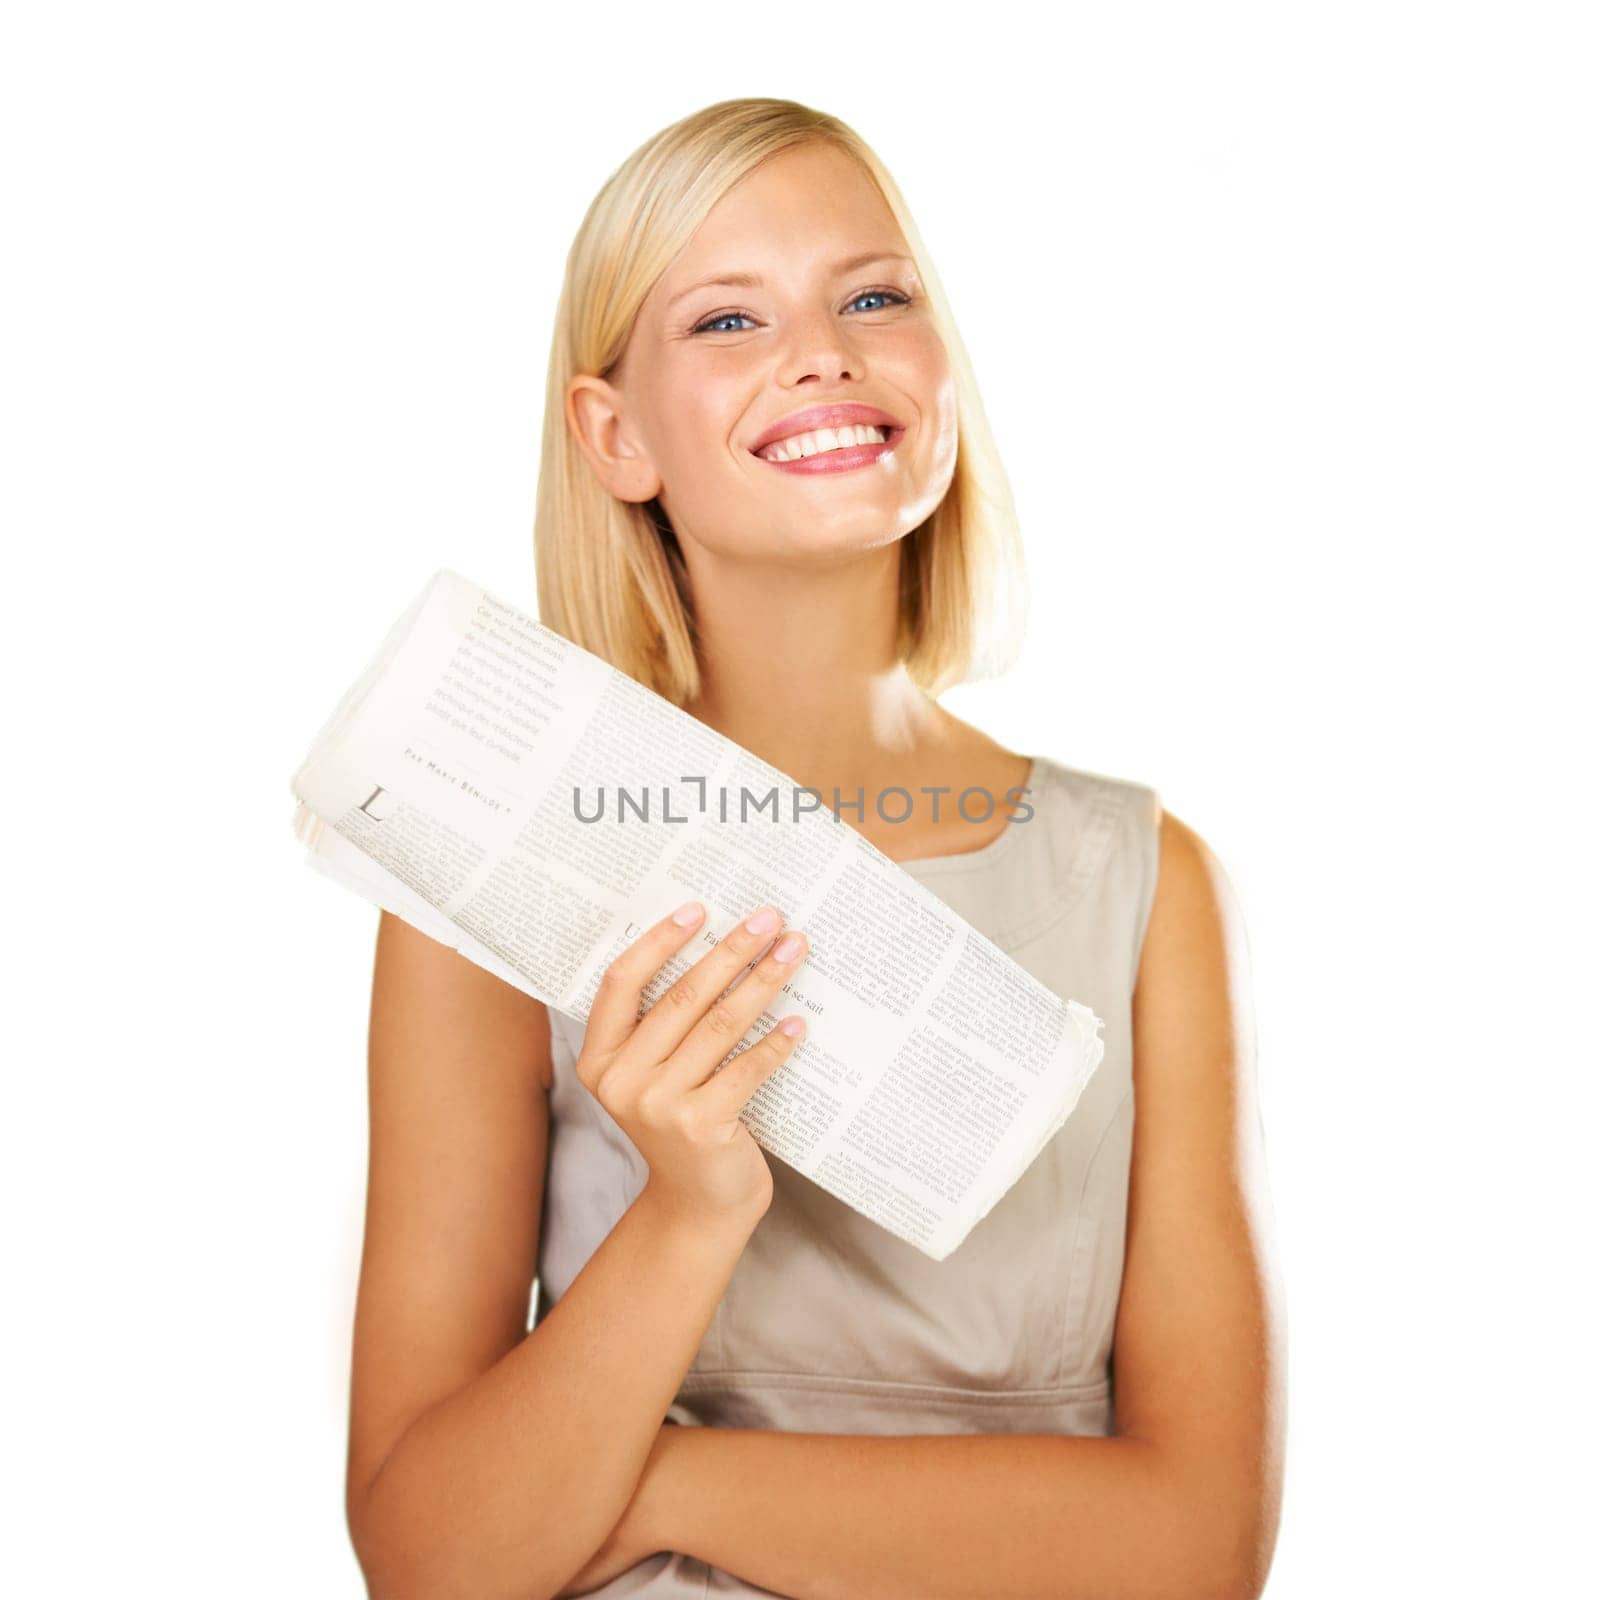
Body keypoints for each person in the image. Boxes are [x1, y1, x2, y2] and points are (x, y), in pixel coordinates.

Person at [342, 97, 1286, 1600]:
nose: (822, 352)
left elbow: (1194, 1549)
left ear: (941, 370)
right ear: (617, 434)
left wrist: (645, 1480)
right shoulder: (489, 881)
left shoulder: (1140, 883)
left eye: (873, 296)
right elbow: (433, 1560)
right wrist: (693, 1208)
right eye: (728, 318)